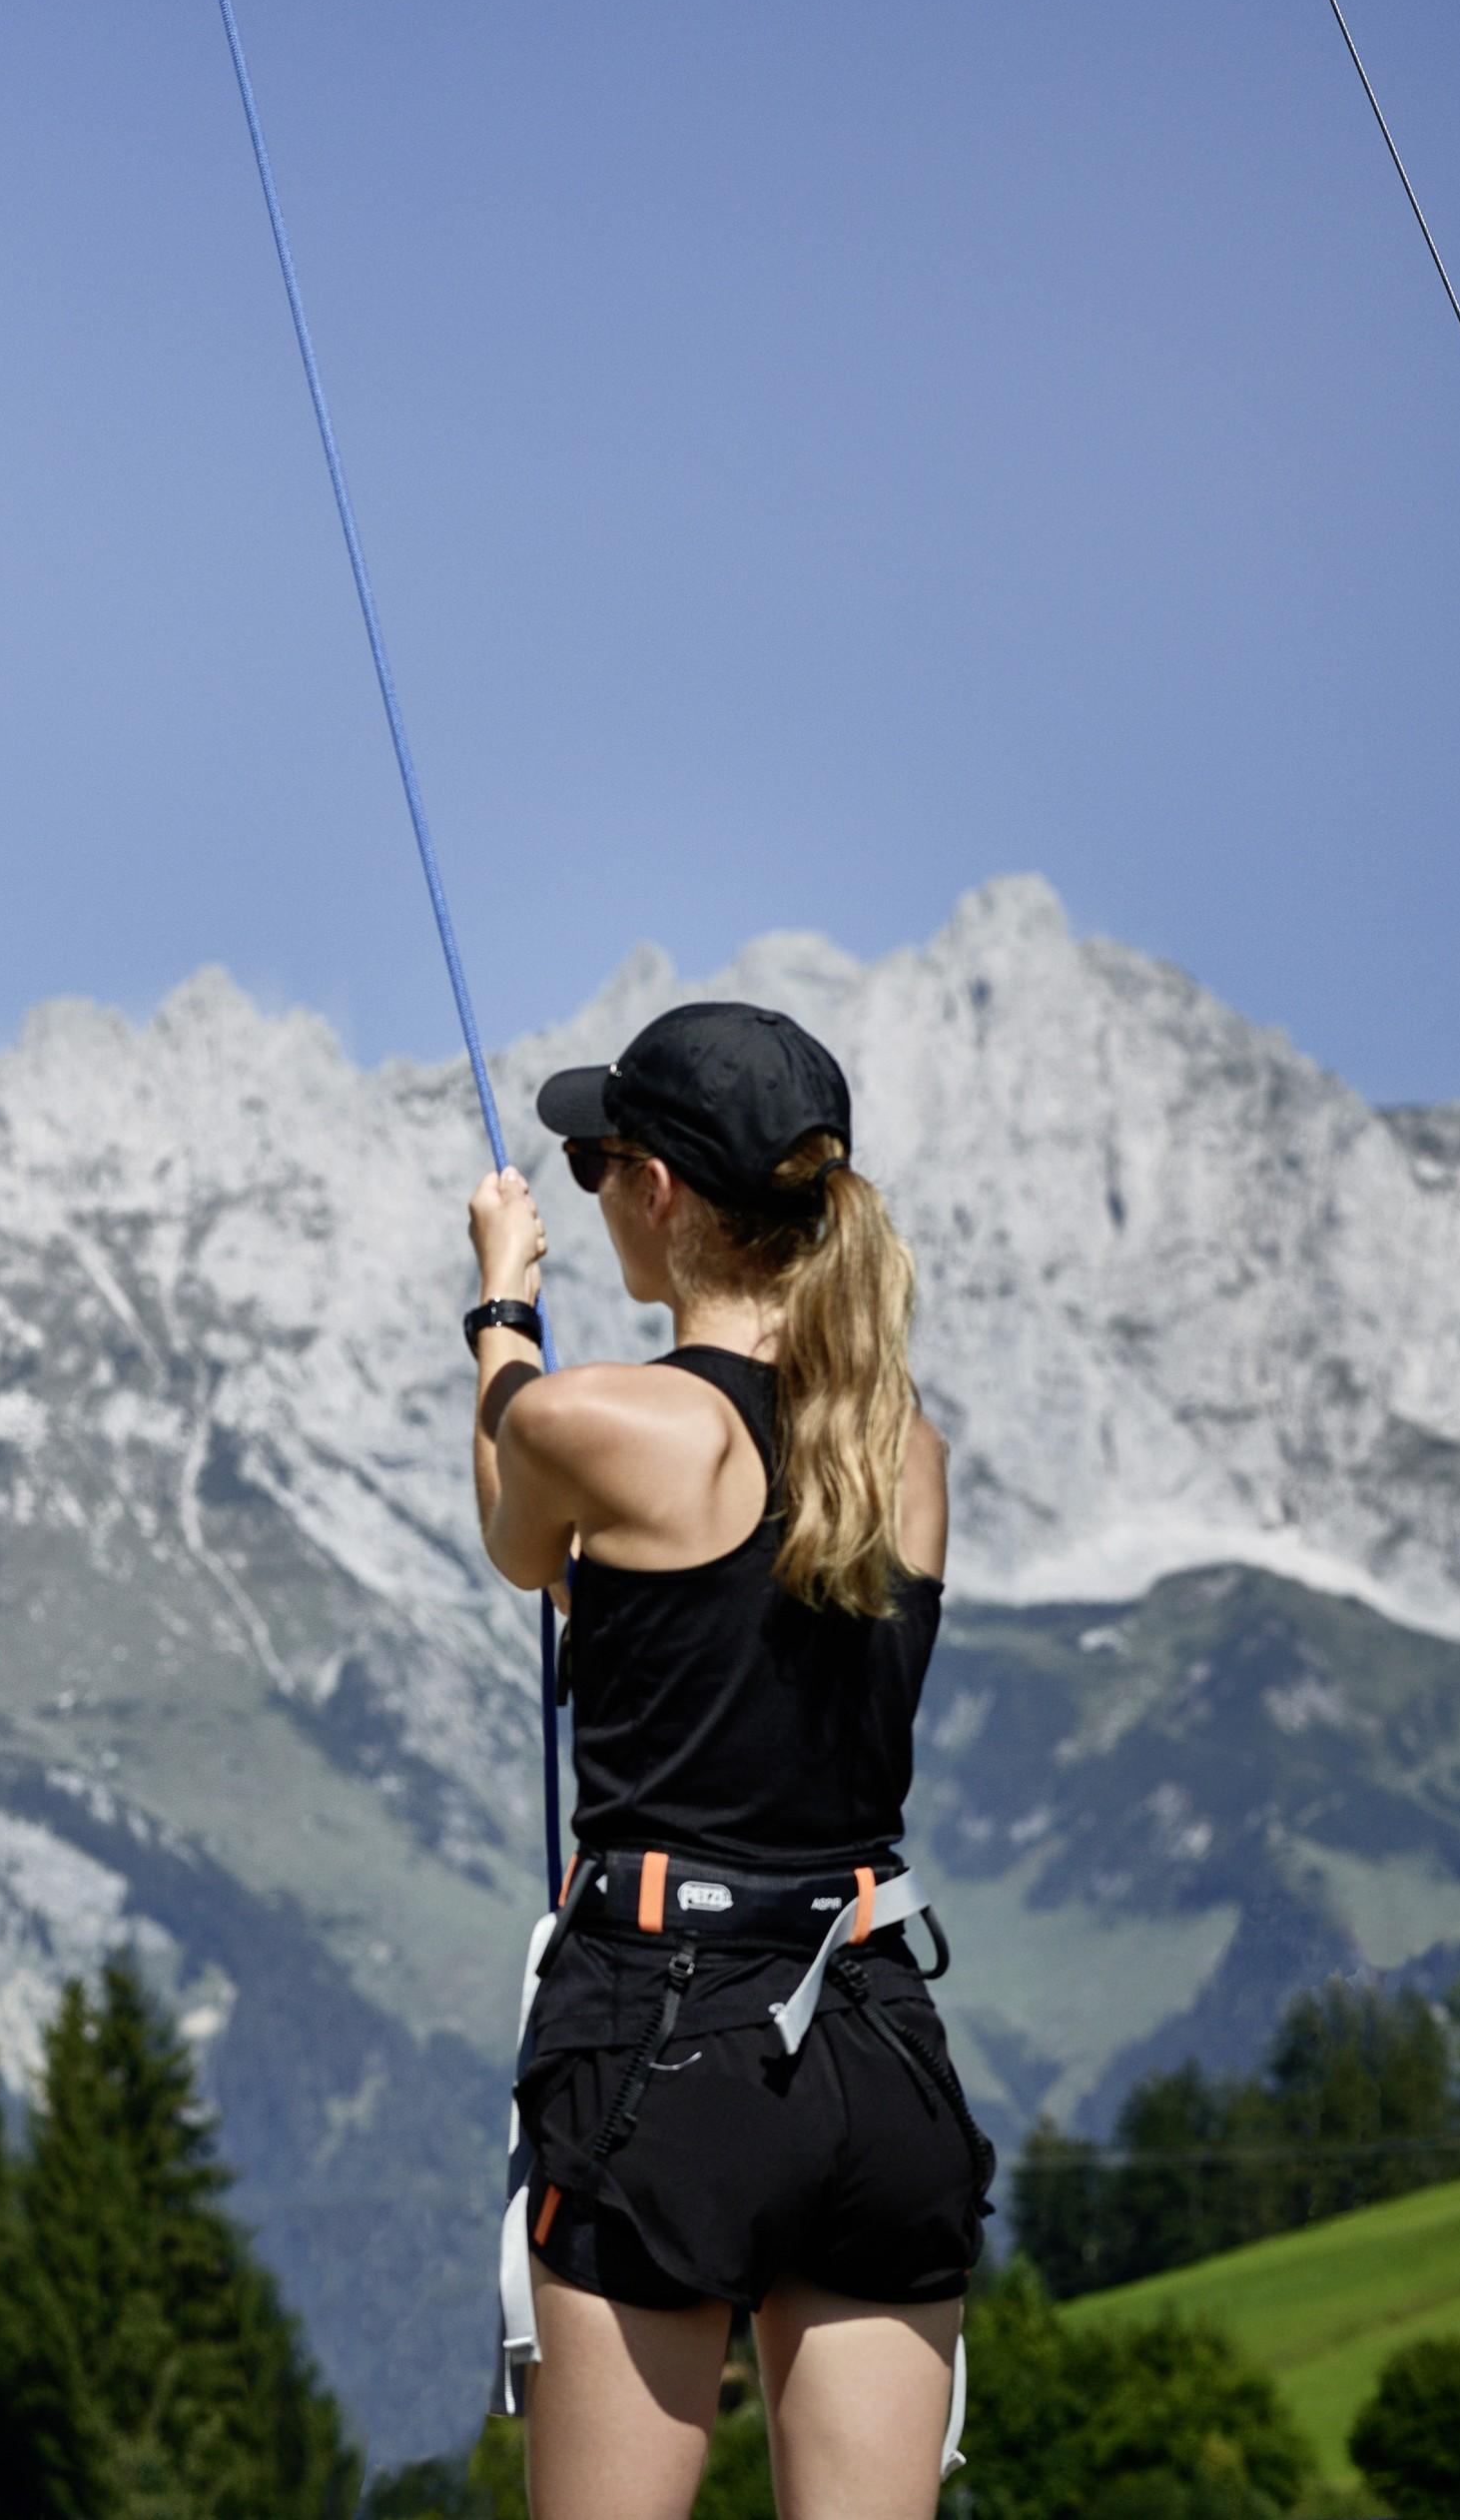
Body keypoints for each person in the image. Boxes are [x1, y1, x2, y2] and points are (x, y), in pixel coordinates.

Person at [462, 1001, 991, 2520]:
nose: (590, 1186)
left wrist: (502, 1300)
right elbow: (717, 1628)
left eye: (593, 1159)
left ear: (661, 1192)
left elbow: (521, 1536)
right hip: (877, 2034)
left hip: (658, 2042)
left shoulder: (597, 1418)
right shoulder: (905, 1450)